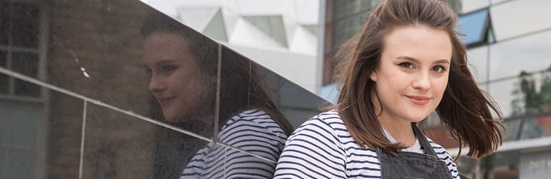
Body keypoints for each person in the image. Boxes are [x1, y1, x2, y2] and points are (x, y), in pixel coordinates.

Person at [274, 0, 503, 178]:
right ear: (373, 67)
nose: (424, 83)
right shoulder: (324, 141)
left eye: (438, 68)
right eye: (407, 65)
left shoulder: (442, 161)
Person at [141, 12, 293, 178]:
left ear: (213, 67)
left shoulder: (246, 131)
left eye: (168, 68)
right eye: (150, 72)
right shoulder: (218, 143)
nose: (153, 85)